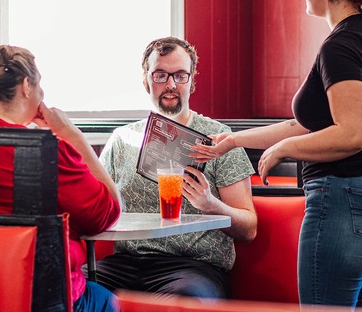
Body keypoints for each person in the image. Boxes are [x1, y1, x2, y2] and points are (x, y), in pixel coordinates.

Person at [191, 0, 362, 310]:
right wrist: (233, 141)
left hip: (344, 201)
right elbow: (312, 124)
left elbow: (353, 134)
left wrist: (284, 150)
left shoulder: (340, 46)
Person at [0, 45, 122, 312]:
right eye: (39, 84)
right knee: (110, 300)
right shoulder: (46, 149)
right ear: (27, 86)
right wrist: (72, 135)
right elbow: (106, 213)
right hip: (37, 295)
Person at [93, 36, 257, 299]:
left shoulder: (220, 139)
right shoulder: (122, 139)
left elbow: (249, 229)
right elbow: (96, 208)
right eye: (160, 75)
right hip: (124, 263)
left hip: (192, 267)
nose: (171, 85)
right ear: (146, 80)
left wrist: (210, 205)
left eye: (180, 76)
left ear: (192, 81)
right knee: (62, 289)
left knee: (186, 298)